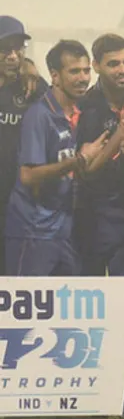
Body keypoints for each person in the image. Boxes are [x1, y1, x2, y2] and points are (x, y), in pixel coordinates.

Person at [7, 41, 119, 275]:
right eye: (74, 71)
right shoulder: (40, 115)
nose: (83, 78)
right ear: (55, 76)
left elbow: (85, 167)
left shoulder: (80, 113)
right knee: (30, 298)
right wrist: (78, 159)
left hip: (65, 231)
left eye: (86, 70)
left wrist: (121, 135)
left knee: (69, 297)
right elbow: (28, 175)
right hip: (33, 231)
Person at [75, 34, 124, 276]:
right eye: (113, 64)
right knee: (89, 292)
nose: (123, 70)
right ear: (96, 66)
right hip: (92, 216)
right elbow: (88, 170)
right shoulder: (85, 106)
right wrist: (123, 129)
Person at [0, 17, 48, 272]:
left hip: (23, 201)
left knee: (18, 274)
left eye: (18, 48)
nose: (12, 56)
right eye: (4, 49)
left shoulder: (33, 87)